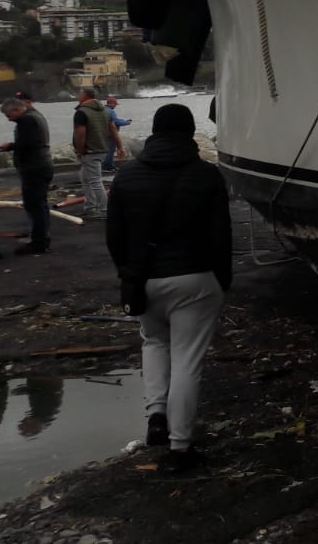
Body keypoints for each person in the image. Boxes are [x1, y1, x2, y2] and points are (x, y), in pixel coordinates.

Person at [106, 103, 231, 472]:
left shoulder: (126, 177)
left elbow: (115, 236)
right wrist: (222, 282)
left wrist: (128, 275)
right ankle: (180, 448)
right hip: (194, 279)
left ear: (154, 134)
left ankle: (156, 415)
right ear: (190, 132)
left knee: (154, 341)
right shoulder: (206, 176)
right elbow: (221, 237)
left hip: (144, 279)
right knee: (187, 361)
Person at [0, 97, 54, 255]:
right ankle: (43, 238)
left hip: (34, 167)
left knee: (34, 205)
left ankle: (38, 242)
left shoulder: (26, 120)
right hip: (43, 164)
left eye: (8, 115)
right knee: (41, 204)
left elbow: (28, 143)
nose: (8, 119)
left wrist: (10, 146)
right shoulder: (37, 116)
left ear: (17, 110)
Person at [73, 87, 125, 219]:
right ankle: (90, 207)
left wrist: (80, 150)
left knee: (95, 181)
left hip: (89, 150)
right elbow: (113, 130)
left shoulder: (82, 112)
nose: (78, 96)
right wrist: (120, 147)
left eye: (80, 93)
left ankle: (104, 210)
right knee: (85, 178)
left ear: (84, 96)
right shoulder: (106, 111)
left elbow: (80, 134)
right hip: (102, 149)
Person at [102, 96, 131, 173]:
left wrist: (123, 120)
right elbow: (116, 122)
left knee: (106, 151)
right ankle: (108, 167)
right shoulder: (111, 111)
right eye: (115, 104)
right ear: (111, 104)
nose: (115, 106)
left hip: (103, 133)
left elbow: (115, 120)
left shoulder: (103, 109)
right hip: (111, 133)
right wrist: (127, 122)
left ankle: (106, 166)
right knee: (110, 151)